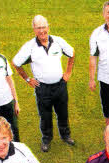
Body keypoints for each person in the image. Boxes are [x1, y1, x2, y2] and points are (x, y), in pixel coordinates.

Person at [13, 15, 75, 152]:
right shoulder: (30, 47)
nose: (42, 31)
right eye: (38, 28)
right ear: (34, 30)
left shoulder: (58, 41)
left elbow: (72, 53)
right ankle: (46, 139)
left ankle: (66, 135)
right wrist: (28, 79)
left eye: (44, 27)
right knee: (45, 115)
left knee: (63, 112)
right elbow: (16, 63)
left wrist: (68, 72)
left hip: (60, 85)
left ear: (48, 27)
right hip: (43, 88)